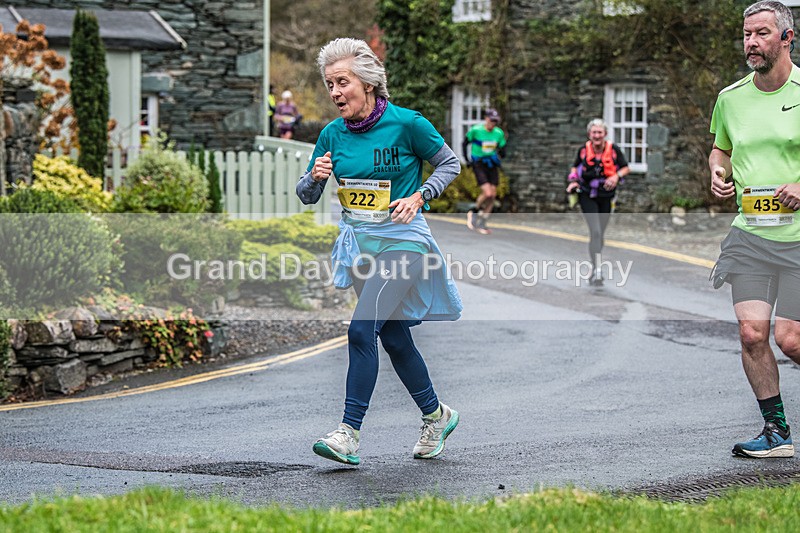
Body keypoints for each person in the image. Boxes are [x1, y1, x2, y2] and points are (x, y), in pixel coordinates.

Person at [296, 37, 463, 466]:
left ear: (368, 83)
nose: (334, 93)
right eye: (329, 84)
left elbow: (449, 164)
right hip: (360, 250)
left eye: (342, 82)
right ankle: (436, 415)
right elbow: (306, 195)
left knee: (360, 329)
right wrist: (314, 177)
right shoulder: (332, 134)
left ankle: (348, 434)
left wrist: (420, 196)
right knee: (391, 335)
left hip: (404, 243)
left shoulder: (408, 124)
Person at [709, 0, 800, 459]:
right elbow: (720, 149)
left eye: (762, 33)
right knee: (751, 332)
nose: (751, 43)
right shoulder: (731, 98)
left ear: (787, 38)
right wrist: (717, 172)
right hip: (751, 234)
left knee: (792, 338)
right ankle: (776, 432)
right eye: (747, 34)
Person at [566, 118, 630, 286]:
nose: (597, 135)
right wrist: (573, 180)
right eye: (594, 132)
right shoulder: (583, 150)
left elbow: (625, 167)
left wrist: (616, 176)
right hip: (587, 195)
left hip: (606, 196)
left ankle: (595, 267)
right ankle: (597, 269)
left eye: (600, 132)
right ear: (589, 134)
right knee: (594, 231)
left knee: (600, 234)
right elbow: (575, 168)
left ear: (605, 134)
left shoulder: (613, 150)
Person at [463, 108, 506, 235]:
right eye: (491, 120)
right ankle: (474, 211)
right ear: (486, 119)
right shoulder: (476, 130)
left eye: (495, 121)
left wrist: (501, 154)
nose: (493, 123)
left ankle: (483, 221)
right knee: (487, 193)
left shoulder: (498, 133)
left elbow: (502, 148)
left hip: (492, 164)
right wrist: (467, 160)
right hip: (479, 163)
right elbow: (465, 143)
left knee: (493, 195)